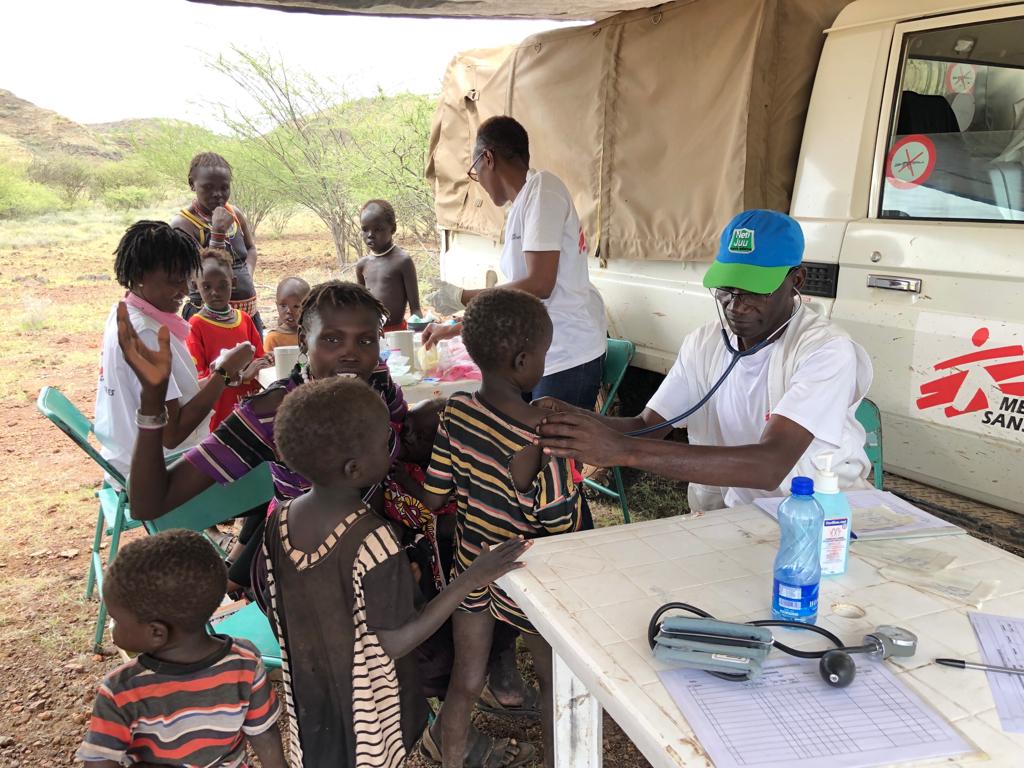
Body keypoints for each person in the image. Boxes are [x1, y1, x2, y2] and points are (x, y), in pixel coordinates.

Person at [265, 375, 531, 767]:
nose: (392, 449)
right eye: (382, 443)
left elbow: (319, 594)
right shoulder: (372, 537)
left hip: (311, 700)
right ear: (355, 467)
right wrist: (473, 577)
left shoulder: (280, 518)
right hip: (368, 717)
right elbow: (395, 643)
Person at [537, 209, 874, 513]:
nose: (735, 305)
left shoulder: (826, 351)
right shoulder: (705, 343)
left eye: (754, 290)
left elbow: (770, 464)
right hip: (736, 518)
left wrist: (623, 450)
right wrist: (571, 420)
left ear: (796, 280)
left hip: (818, 517)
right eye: (726, 288)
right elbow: (647, 428)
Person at [121, 281, 404, 592]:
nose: (351, 354)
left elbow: (405, 432)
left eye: (365, 341)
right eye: (332, 339)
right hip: (309, 574)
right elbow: (148, 504)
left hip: (382, 549)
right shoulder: (271, 413)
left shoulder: (376, 378)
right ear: (302, 341)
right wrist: (152, 402)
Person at [420, 288, 585, 768]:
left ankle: (451, 758)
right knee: (556, 685)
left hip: (473, 573)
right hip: (532, 585)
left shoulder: (456, 412)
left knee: (466, 681)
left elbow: (434, 497)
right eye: (545, 355)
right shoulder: (547, 436)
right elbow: (562, 524)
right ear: (521, 360)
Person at [423, 116, 607, 410]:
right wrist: (456, 325)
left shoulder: (543, 190)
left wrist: (463, 298)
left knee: (555, 452)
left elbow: (539, 285)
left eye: (475, 171)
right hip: (540, 352)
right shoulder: (523, 204)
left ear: (488, 158)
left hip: (566, 355)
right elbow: (515, 298)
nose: (479, 181)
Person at [76, 530, 285, 768]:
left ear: (157, 632)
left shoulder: (122, 689)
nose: (112, 628)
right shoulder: (245, 662)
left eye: (117, 620)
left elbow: (100, 762)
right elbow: (264, 734)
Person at [95, 221, 253, 479]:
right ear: (141, 275)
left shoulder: (124, 314)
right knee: (265, 465)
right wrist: (223, 374)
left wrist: (214, 379)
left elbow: (172, 400)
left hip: (127, 459)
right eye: (174, 282)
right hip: (158, 473)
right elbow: (173, 434)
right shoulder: (147, 334)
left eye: (186, 280)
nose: (184, 291)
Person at [171, 152, 263, 334]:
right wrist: (218, 233)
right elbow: (203, 273)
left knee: (257, 362)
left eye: (224, 187)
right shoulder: (183, 225)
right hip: (207, 319)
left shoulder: (234, 213)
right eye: (208, 187)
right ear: (192, 184)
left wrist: (247, 274)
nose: (218, 194)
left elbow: (250, 248)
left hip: (247, 315)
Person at [186, 248, 270, 430]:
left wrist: (267, 361)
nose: (215, 292)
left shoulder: (244, 319)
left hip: (250, 410)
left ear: (233, 283)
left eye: (222, 285)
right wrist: (242, 376)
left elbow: (259, 359)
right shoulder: (196, 325)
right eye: (207, 287)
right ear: (195, 286)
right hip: (218, 417)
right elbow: (198, 379)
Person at [355, 199, 422, 332]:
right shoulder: (362, 265)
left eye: (378, 229)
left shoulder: (403, 261)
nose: (370, 235)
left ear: (393, 228)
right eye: (365, 229)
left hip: (397, 331)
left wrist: (417, 333)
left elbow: (415, 308)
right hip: (370, 333)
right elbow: (359, 306)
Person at [263, 276, 310, 353]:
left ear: (308, 307)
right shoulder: (273, 338)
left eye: (296, 306)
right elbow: (268, 363)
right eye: (283, 306)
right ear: (277, 306)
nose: (289, 311)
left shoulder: (311, 334)